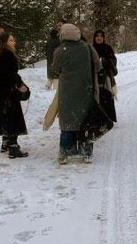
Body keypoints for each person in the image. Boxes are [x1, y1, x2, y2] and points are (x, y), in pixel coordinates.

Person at [51, 23, 101, 164]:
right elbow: (97, 65)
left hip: (67, 93)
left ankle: (65, 151)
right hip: (86, 90)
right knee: (86, 121)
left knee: (68, 122)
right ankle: (86, 152)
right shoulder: (87, 48)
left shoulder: (60, 50)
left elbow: (55, 69)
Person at [0, 32, 29, 158]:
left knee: (4, 117)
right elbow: (11, 74)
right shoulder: (8, 55)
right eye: (11, 40)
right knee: (13, 117)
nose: (14, 42)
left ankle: (5, 143)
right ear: (5, 42)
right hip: (8, 92)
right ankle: (13, 147)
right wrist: (20, 84)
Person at [93, 29, 118, 122]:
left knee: (107, 95)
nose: (99, 38)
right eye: (97, 36)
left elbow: (113, 61)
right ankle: (97, 117)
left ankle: (109, 116)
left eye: (101, 36)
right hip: (94, 77)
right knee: (96, 96)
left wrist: (105, 61)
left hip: (106, 76)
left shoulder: (107, 48)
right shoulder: (91, 48)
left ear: (103, 38)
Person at [45, 19, 65, 89]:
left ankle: (49, 85)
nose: (59, 27)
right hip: (55, 61)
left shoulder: (67, 35)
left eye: (60, 25)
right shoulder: (54, 37)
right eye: (58, 26)